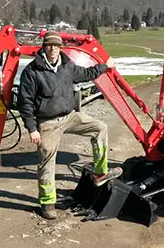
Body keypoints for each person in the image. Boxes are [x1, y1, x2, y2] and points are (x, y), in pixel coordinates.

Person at [18, 31, 123, 220]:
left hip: (69, 116)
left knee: (100, 127)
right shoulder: (32, 72)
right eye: (49, 45)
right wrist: (32, 128)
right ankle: (47, 203)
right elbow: (25, 102)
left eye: (56, 46)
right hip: (47, 122)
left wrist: (105, 67)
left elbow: (87, 74)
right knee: (47, 163)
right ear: (44, 46)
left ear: (60, 48)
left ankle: (100, 172)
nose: (53, 49)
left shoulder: (67, 66)